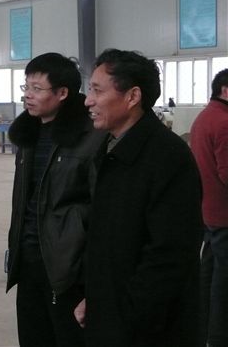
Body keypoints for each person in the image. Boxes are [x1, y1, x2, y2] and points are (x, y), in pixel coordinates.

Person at [77, 49, 202, 347]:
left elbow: (169, 256)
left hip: (148, 328)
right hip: (113, 313)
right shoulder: (110, 149)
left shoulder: (167, 157)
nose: (88, 101)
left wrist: (125, 319)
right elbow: (108, 243)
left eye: (97, 91)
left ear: (132, 97)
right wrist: (95, 298)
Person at [5, 53, 106, 347]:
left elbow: (100, 210)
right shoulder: (28, 134)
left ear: (62, 93)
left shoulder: (91, 137)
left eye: (37, 88)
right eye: (26, 87)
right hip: (28, 261)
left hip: (67, 268)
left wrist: (90, 274)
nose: (28, 95)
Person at [190, 68, 228, 347]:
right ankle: (218, 337)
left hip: (208, 211)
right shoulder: (224, 121)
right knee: (223, 283)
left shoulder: (204, 117)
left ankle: (202, 331)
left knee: (209, 275)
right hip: (224, 214)